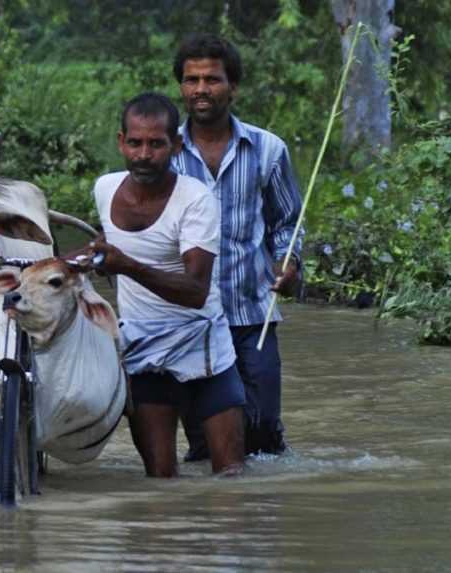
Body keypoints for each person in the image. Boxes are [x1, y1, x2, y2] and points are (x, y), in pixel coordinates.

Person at [88, 92, 245, 476]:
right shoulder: (105, 188)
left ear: (176, 145)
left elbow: (195, 291)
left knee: (231, 480)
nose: (144, 154)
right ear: (120, 142)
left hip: (202, 339)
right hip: (141, 345)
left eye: (156, 144)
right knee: (159, 481)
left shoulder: (196, 199)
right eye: (136, 143)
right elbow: (103, 252)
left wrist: (125, 264)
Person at [169, 33, 302, 458]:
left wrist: (289, 261)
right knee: (206, 443)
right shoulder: (161, 152)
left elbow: (288, 223)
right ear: (181, 88)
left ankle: (259, 516)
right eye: (192, 80)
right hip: (189, 321)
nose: (201, 90)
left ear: (233, 87)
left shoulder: (268, 149)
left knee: (263, 437)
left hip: (252, 316)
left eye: (212, 79)